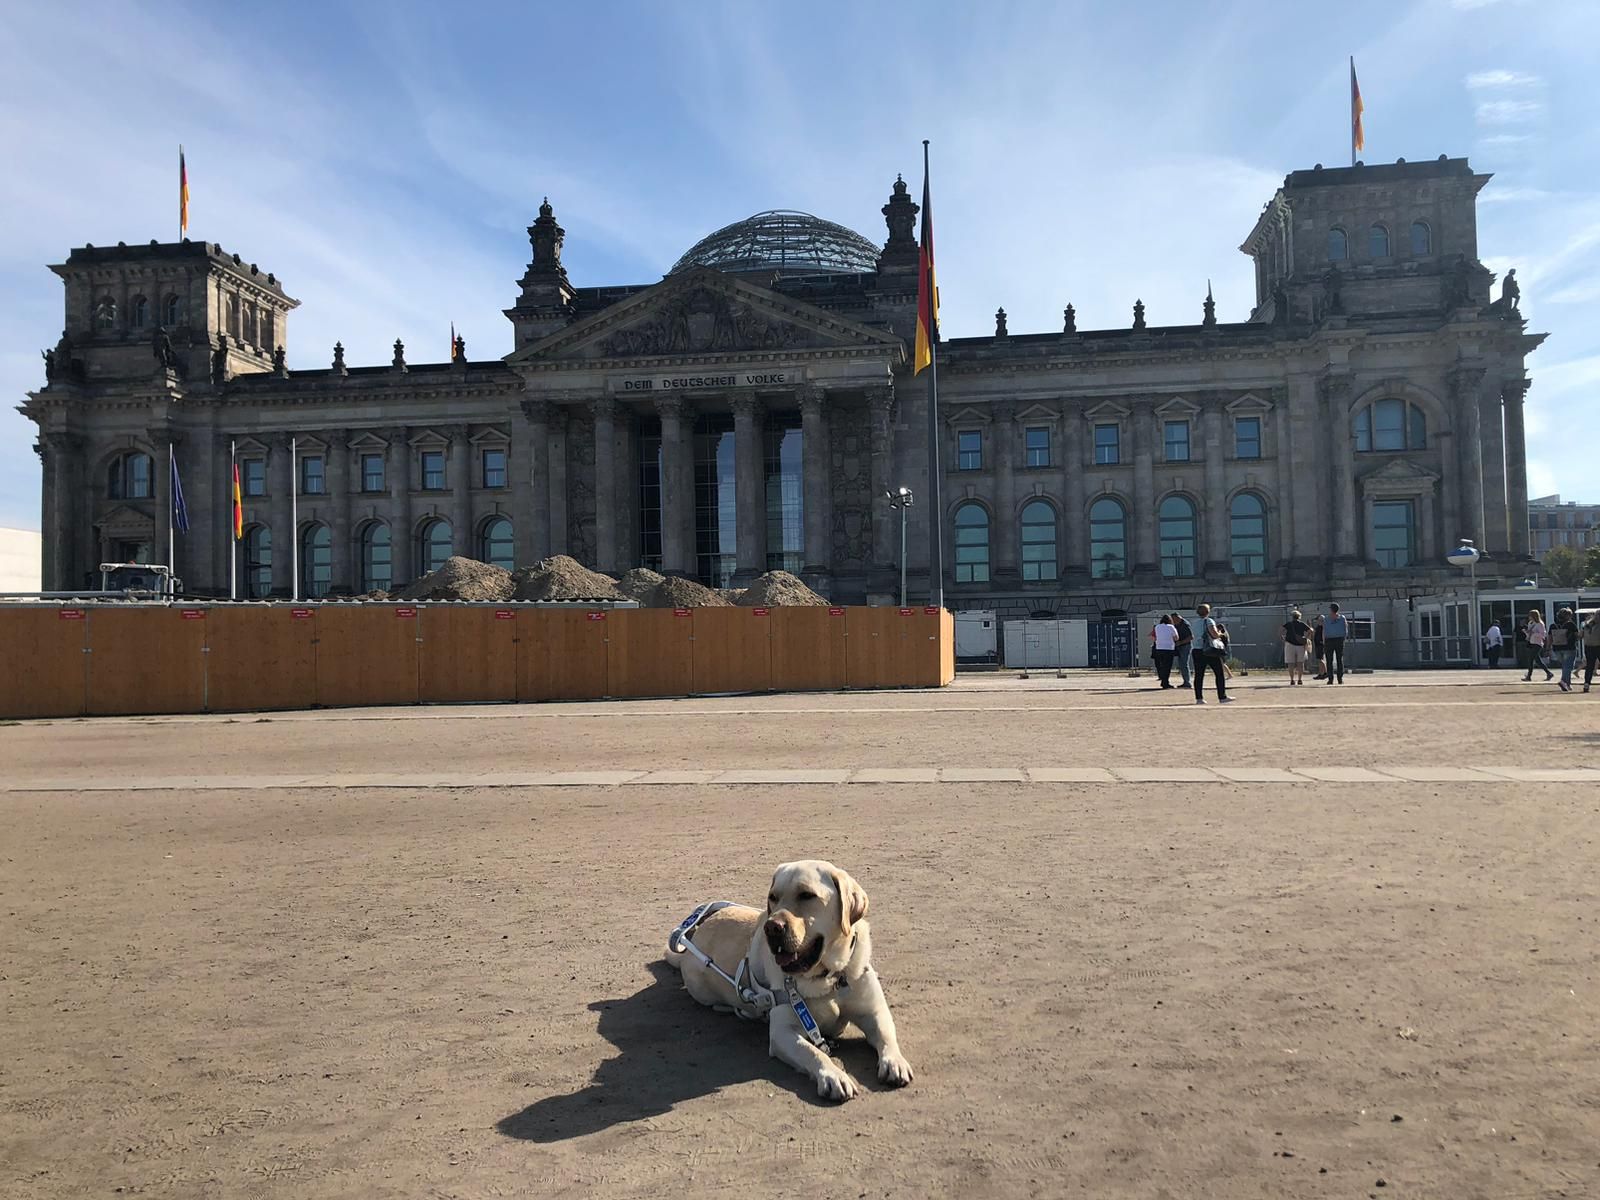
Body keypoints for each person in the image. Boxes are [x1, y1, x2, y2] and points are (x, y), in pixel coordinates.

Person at [1192, 603, 1232, 705]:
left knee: (1199, 675)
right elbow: (1214, 634)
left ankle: (1199, 698)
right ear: (1208, 612)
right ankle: (1222, 696)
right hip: (1209, 650)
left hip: (1197, 649)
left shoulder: (1194, 622)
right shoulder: (1209, 621)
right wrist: (1221, 634)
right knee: (1219, 673)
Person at [1548, 607, 1581, 692]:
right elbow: (1577, 636)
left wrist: (1548, 648)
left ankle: (1567, 684)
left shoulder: (1553, 625)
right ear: (1568, 616)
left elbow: (1550, 638)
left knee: (1565, 666)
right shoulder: (1570, 624)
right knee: (1568, 666)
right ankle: (1563, 681)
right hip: (1569, 647)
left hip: (1557, 648)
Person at [1281, 608, 1312, 685]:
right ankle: (1300, 679)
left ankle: (1292, 679)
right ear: (1299, 616)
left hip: (1290, 644)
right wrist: (1306, 638)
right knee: (1300, 663)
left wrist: (1282, 638)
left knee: (1290, 663)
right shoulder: (1302, 624)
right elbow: (1311, 630)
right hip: (1300, 645)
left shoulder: (1288, 624)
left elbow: (1280, 630)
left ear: (1292, 617)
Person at [1522, 609, 1552, 682]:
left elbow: (1543, 634)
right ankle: (1548, 673)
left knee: (1531, 659)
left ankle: (1529, 676)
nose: (1529, 617)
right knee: (1538, 660)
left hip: (1538, 643)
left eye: (1531, 616)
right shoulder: (1530, 623)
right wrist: (1526, 632)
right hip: (1531, 642)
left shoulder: (1540, 624)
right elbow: (1529, 634)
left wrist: (1533, 633)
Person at [1323, 603, 1348, 684]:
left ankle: (1330, 679)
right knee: (1339, 659)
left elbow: (1324, 630)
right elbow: (1345, 628)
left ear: (1331, 609)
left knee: (1329, 660)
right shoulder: (1342, 618)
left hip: (1329, 640)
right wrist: (1344, 638)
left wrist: (1323, 640)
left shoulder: (1327, 618)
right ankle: (1340, 678)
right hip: (1339, 639)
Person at [1152, 614, 1177, 688]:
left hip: (1159, 648)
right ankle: (1165, 682)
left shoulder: (1157, 627)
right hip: (1169, 648)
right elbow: (1176, 637)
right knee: (1167, 666)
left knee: (1162, 666)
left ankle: (1163, 680)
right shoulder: (1171, 627)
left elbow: (1154, 637)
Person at [1172, 611, 1193, 689]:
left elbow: (1191, 637)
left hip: (1185, 646)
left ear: (1178, 618)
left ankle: (1187, 682)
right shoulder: (1176, 625)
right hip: (1180, 646)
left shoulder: (1185, 624)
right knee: (1181, 664)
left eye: (1174, 620)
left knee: (1184, 664)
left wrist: (1180, 642)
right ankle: (1185, 681)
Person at [1581, 610, 1600, 694]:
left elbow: (1580, 635)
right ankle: (1586, 684)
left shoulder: (1587, 625)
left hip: (1588, 646)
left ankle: (1586, 684)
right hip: (1598, 646)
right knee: (1590, 666)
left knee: (1589, 666)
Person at [1312, 614, 1327, 679]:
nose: (1317, 621)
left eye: (1318, 620)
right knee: (1319, 659)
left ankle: (1326, 672)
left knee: (1320, 659)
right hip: (1317, 644)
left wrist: (1323, 642)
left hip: (1321, 644)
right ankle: (1321, 673)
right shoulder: (1318, 627)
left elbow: (1324, 635)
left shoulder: (1324, 627)